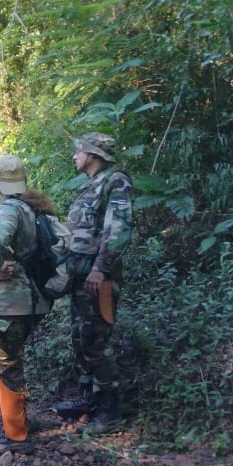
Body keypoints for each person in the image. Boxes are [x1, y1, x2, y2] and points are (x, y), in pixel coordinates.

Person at [0, 155, 60, 454]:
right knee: (13, 362)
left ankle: (16, 436)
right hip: (31, 301)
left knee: (5, 364)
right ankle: (21, 421)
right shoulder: (32, 208)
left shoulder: (9, 210)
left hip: (8, 304)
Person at [54, 132, 134, 435]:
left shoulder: (116, 181)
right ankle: (87, 400)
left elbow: (119, 230)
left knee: (95, 342)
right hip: (79, 277)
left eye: (79, 150)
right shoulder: (91, 185)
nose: (75, 155)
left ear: (94, 154)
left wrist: (100, 268)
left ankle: (109, 411)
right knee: (79, 339)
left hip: (97, 279)